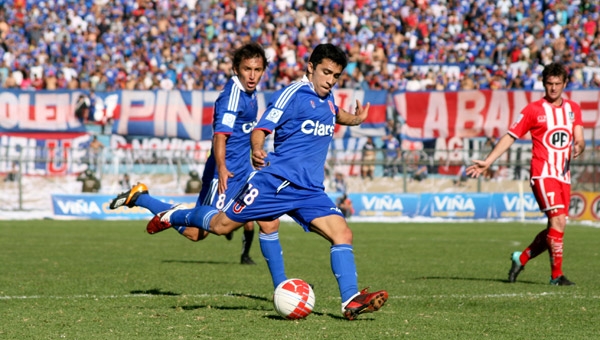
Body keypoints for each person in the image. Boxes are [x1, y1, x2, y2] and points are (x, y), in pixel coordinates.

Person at [138, 43, 388, 320]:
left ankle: (350, 299)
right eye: (326, 73)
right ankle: (173, 214)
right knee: (220, 226)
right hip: (275, 184)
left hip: (309, 191)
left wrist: (356, 119)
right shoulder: (292, 94)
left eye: (336, 76)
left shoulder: (327, 97)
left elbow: (334, 112)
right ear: (310, 68)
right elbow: (262, 128)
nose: (330, 80)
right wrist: (257, 148)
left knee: (343, 234)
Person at [109, 42, 272, 265]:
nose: (252, 75)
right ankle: (143, 198)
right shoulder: (232, 96)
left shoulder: (251, 93)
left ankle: (280, 281)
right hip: (224, 173)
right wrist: (222, 168)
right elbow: (220, 136)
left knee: (266, 219)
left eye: (257, 70)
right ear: (236, 69)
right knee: (196, 233)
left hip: (243, 171)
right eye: (247, 69)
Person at [466, 62, 585, 286]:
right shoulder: (533, 110)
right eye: (549, 84)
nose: (553, 88)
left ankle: (520, 258)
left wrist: (579, 146)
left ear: (565, 84)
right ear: (543, 84)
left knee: (556, 227)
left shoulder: (573, 109)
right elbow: (510, 136)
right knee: (558, 221)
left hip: (563, 175)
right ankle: (556, 276)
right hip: (542, 173)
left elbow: (579, 137)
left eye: (557, 84)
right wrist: (488, 161)